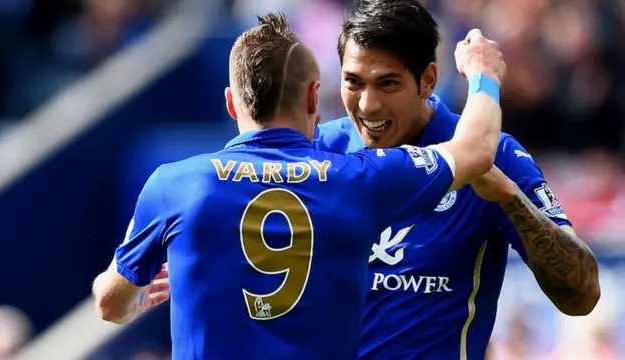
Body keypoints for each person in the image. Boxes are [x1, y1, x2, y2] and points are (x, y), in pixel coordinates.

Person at [91, 11, 506, 360]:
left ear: (231, 102)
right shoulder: (359, 177)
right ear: (313, 98)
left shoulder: (174, 183)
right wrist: (483, 75)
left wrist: (136, 300)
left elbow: (109, 302)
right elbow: (476, 149)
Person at [313, 1, 601, 359]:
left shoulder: (495, 157)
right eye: (353, 82)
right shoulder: (320, 151)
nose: (368, 105)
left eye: (388, 84)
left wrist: (510, 199)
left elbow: (584, 292)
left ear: (428, 80)